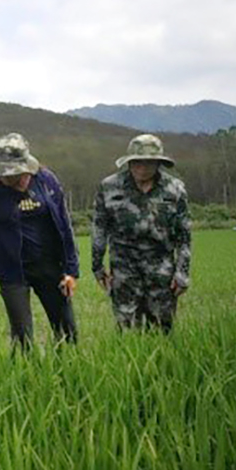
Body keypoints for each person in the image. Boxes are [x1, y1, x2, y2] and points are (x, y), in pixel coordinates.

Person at [0, 133, 79, 348]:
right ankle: (24, 377)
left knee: (67, 331)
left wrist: (71, 270)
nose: (15, 181)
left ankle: (67, 374)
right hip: (12, 273)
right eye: (7, 177)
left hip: (50, 267)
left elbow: (64, 226)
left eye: (19, 175)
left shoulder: (47, 182)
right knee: (22, 339)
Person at [92, 134, 191, 333]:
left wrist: (182, 273)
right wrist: (97, 266)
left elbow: (184, 236)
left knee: (163, 328)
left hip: (161, 268)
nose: (142, 168)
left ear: (158, 164)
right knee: (126, 329)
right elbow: (99, 227)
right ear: (129, 162)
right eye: (136, 162)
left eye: (148, 163)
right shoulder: (109, 187)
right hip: (123, 268)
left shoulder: (175, 190)